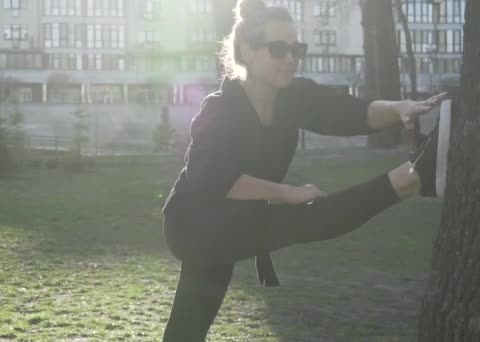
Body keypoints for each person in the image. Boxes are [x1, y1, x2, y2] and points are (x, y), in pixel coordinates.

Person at [160, 0, 451, 341]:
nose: (290, 59)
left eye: (297, 49)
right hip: (195, 226)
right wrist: (288, 193)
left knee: (186, 330)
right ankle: (411, 179)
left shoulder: (293, 97)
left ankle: (413, 178)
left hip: (234, 222)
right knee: (309, 218)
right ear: (247, 51)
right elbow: (211, 179)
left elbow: (349, 112)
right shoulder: (219, 109)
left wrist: (400, 108)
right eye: (278, 49)